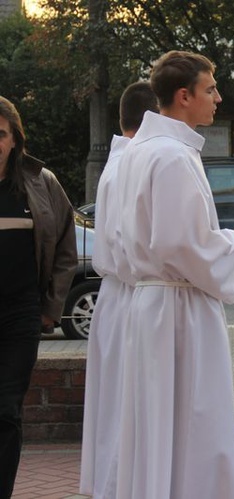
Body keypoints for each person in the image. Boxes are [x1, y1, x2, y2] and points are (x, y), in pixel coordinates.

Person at [112, 50, 234, 498]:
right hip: (178, 308)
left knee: (159, 426)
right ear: (183, 95)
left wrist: (220, 245)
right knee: (196, 421)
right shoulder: (172, 156)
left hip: (153, 304)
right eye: (210, 89)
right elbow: (179, 243)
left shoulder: (143, 150)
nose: (218, 97)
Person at [79, 81, 158, 498]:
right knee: (127, 412)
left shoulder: (120, 162)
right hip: (130, 293)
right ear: (152, 117)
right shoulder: (134, 164)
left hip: (116, 294)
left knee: (114, 410)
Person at [0, 96, 77, 499]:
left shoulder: (41, 182)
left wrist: (51, 308)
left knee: (6, 409)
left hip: (19, 316)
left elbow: (66, 246)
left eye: (0, 133)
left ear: (14, 139)